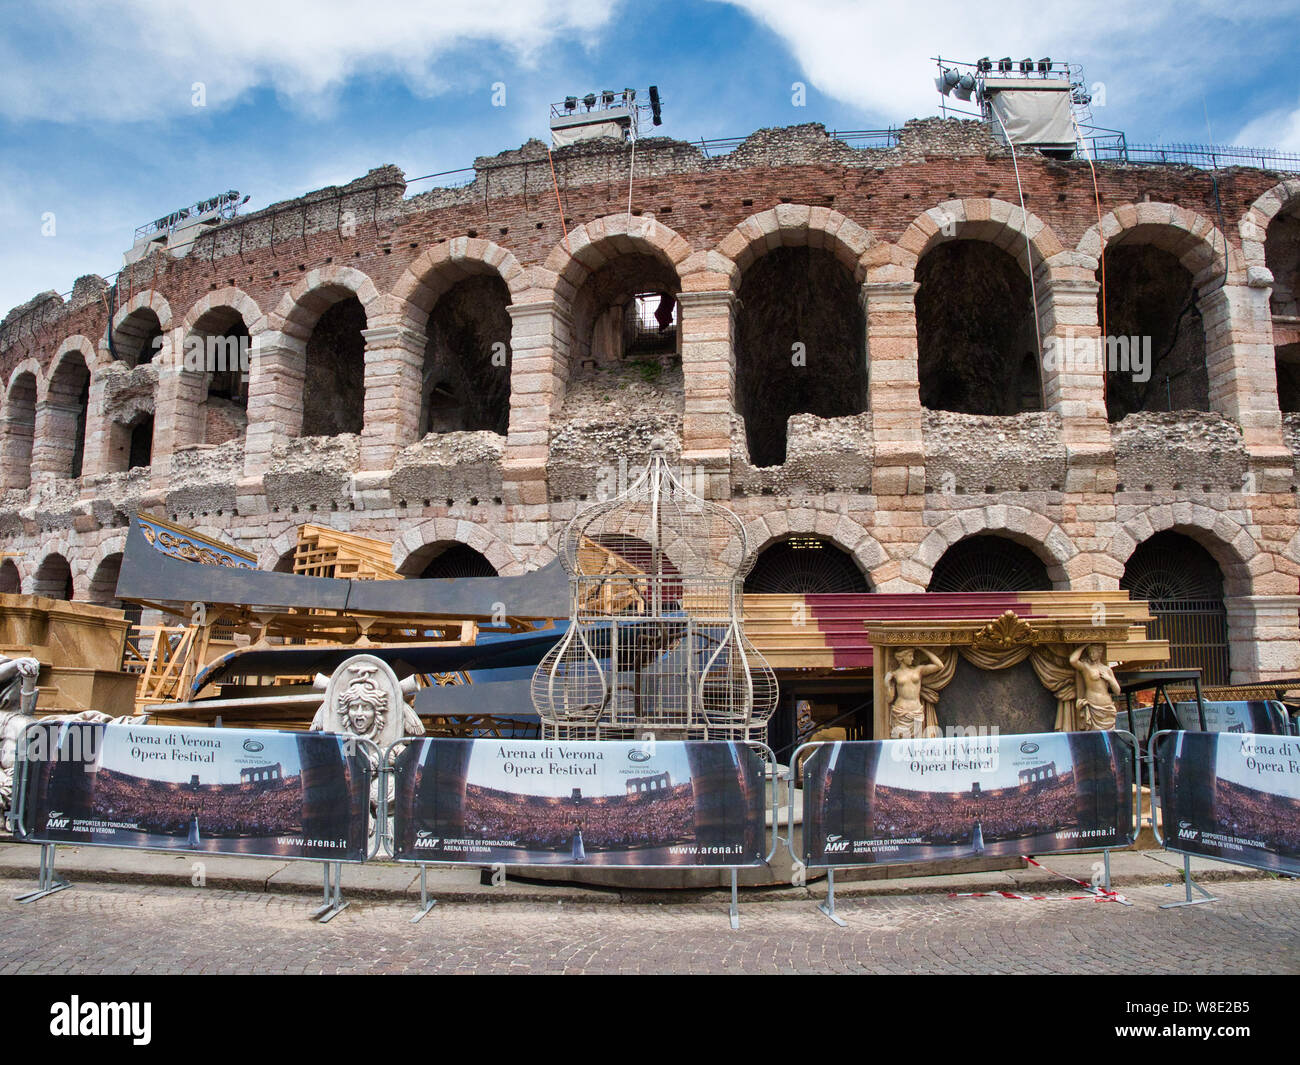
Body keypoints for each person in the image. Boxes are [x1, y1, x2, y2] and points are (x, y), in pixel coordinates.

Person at [884, 647, 944, 738]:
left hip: (916, 711)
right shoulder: (895, 674)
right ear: (902, 657)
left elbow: (939, 665)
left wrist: (924, 649)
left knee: (917, 743)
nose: (912, 658)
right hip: (900, 712)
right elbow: (889, 699)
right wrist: (887, 683)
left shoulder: (918, 670)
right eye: (910, 656)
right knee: (899, 743)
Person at [1069, 643, 1121, 731]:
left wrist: (1109, 679)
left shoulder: (1107, 669)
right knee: (1093, 733)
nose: (1091, 654)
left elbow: (1117, 691)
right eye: (1089, 652)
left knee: (1108, 735)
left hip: (1107, 705)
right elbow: (1072, 660)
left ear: (1100, 653)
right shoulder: (1086, 667)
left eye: (1093, 652)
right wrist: (1084, 646)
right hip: (1093, 705)